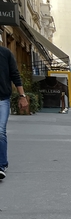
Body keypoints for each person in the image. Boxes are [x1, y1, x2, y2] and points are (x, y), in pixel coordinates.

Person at [0, 43, 28, 180]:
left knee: (0, 131)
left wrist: (22, 96)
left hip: (2, 99)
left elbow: (15, 75)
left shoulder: (5, 54)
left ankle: (1, 165)